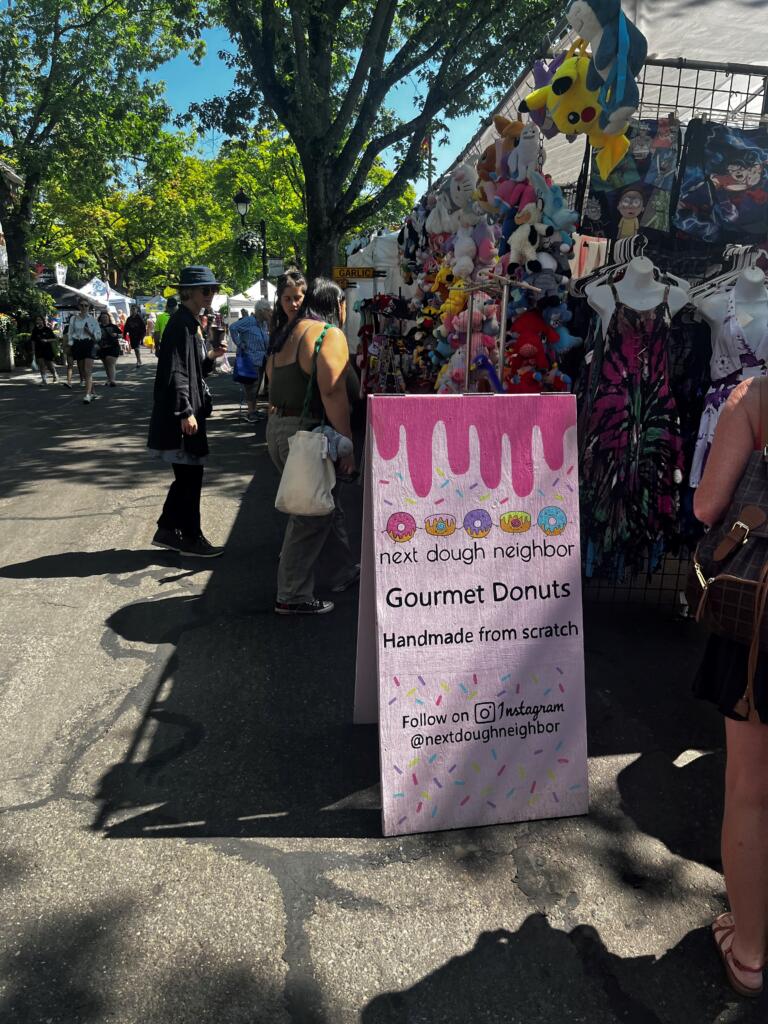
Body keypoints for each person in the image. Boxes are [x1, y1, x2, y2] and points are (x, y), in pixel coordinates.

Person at [694, 375, 768, 998]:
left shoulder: (758, 397)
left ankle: (748, 951)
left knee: (752, 789)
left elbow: (708, 507)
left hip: (762, 619)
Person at [266, 277, 358, 615]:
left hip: (279, 428)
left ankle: (342, 570)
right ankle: (292, 594)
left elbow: (272, 386)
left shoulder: (286, 333)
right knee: (311, 516)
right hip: (307, 434)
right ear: (336, 305)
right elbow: (333, 392)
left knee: (323, 502)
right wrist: (346, 444)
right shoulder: (327, 334)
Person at [147, 266, 228, 558]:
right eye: (206, 290)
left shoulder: (190, 322)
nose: (211, 294)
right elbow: (177, 371)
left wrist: (211, 358)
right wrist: (184, 412)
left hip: (186, 410)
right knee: (190, 478)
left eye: (213, 289)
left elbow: (193, 369)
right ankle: (191, 537)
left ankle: (168, 530)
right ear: (188, 292)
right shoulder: (181, 323)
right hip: (182, 414)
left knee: (188, 477)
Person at [229, 301, 271, 422]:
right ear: (261, 311)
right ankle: (250, 412)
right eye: (268, 310)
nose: (269, 312)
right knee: (251, 386)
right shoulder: (249, 321)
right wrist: (239, 343)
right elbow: (233, 327)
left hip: (262, 358)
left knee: (257, 386)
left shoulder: (263, 323)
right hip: (251, 358)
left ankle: (254, 410)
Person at [67, 300, 101, 403]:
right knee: (82, 371)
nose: (83, 307)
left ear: (89, 307)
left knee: (87, 370)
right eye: (81, 305)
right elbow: (70, 333)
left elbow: (98, 336)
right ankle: (93, 392)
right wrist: (70, 344)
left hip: (89, 344)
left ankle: (87, 395)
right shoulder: (73, 319)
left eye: (86, 305)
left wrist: (90, 333)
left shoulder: (92, 320)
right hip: (78, 344)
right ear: (78, 306)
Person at [270, 267, 307, 348]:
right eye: (287, 299)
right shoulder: (277, 331)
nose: (293, 304)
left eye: (297, 298)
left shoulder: (313, 329)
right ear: (280, 301)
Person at [31, 316, 59, 384]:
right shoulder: (34, 330)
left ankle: (55, 375)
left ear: (43, 321)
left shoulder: (48, 329)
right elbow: (33, 341)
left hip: (47, 349)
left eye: (40, 320)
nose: (38, 321)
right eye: (37, 320)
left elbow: (54, 339)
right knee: (41, 364)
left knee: (49, 365)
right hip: (38, 349)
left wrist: (46, 340)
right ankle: (44, 379)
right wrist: (33, 350)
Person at [97, 310, 121, 386]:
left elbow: (122, 335)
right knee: (106, 364)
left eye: (106, 317)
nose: (104, 318)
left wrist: (116, 335)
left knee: (110, 362)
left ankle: (112, 380)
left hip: (113, 347)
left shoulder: (113, 326)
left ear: (108, 318)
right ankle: (109, 379)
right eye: (103, 317)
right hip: (102, 347)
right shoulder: (98, 327)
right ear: (100, 318)